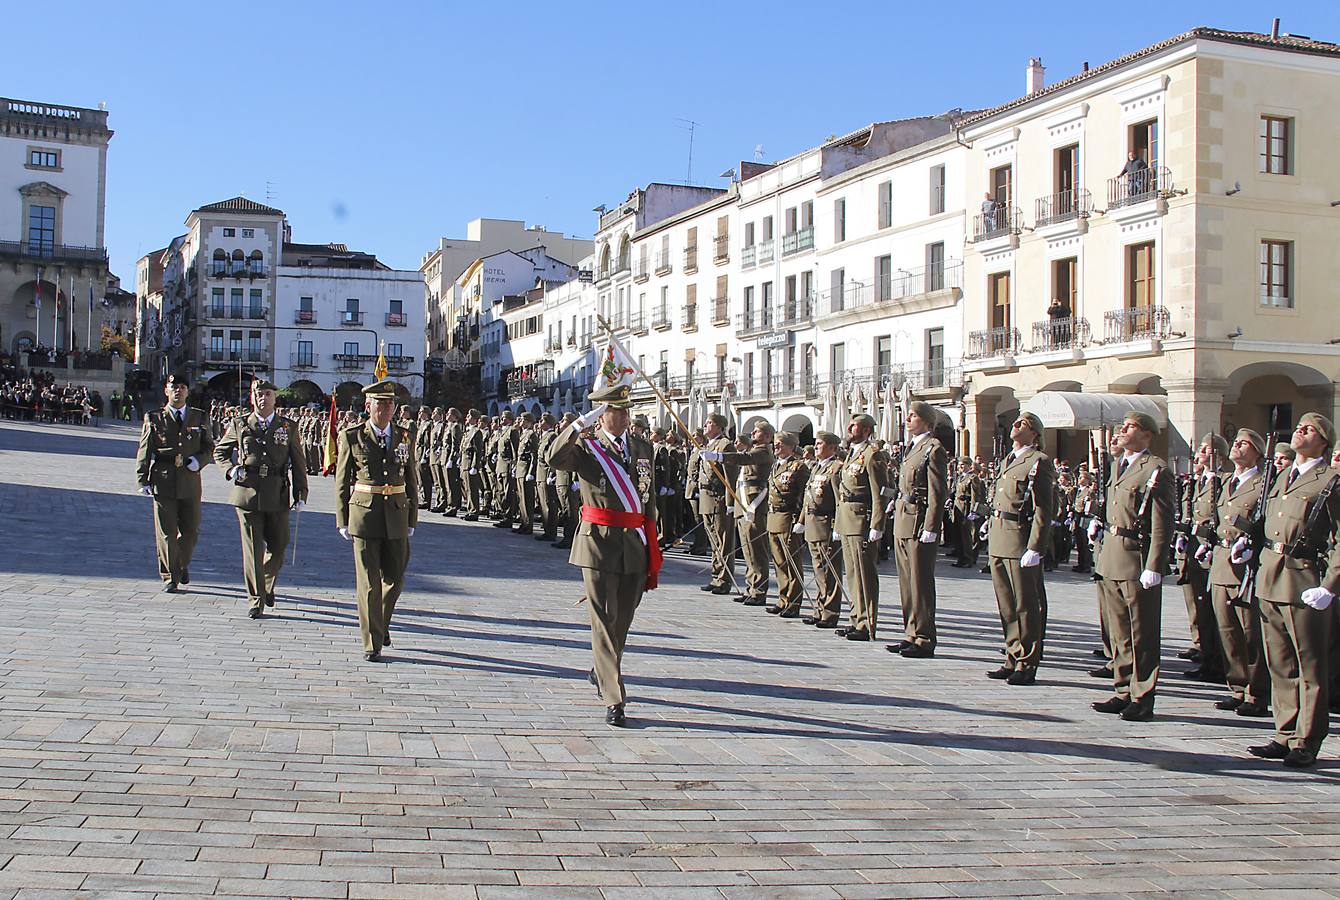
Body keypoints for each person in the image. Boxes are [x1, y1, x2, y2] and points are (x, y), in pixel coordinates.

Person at [547, 383, 661, 727]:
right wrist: (579, 425)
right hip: (597, 543)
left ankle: (602, 670)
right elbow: (553, 457)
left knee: (621, 621)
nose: (624, 416)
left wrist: (653, 536)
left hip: (634, 544)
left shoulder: (642, 446)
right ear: (602, 414)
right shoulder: (586, 446)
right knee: (602, 621)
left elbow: (647, 495)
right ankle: (615, 696)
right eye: (616, 410)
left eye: (627, 410)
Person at [1241, 413, 1340, 768]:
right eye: (1299, 427)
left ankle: (1307, 738)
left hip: (1303, 579)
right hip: (1270, 573)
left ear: (1323, 441)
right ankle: (1284, 732)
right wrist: (1250, 546)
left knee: (1309, 665)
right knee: (1279, 662)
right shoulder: (1283, 475)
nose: (1300, 431)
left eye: (1309, 429)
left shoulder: (1330, 480)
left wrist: (1330, 585)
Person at [1089, 410, 1174, 721]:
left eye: (1131, 426)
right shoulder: (1117, 466)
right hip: (1111, 554)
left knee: (1142, 633)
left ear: (1148, 435)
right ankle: (1122, 688)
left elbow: (1162, 523)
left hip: (1136, 557)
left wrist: (1155, 564)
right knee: (1119, 632)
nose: (1122, 430)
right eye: (1123, 426)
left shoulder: (1156, 469)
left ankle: (1142, 695)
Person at [334, 380, 417, 661]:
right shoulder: (352, 436)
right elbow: (342, 480)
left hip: (396, 512)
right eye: (381, 403)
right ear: (368, 406)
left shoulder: (404, 436)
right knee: (369, 583)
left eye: (390, 403)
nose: (387, 408)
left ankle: (379, 624)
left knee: (395, 579)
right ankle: (372, 642)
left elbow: (411, 478)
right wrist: (342, 518)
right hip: (365, 515)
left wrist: (413, 517)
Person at [1202, 428, 1270, 718]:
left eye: (1244, 444)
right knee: (1227, 630)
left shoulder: (1262, 483)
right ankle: (1238, 687)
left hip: (1246, 565)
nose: (1237, 447)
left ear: (1256, 451)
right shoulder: (1227, 481)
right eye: (1237, 442)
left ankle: (1257, 693)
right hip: (1221, 560)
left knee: (1250, 631)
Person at [985, 412, 1055, 685]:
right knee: (1007, 605)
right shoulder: (1009, 460)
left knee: (1026, 604)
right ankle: (1012, 654)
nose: (1014, 426)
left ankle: (1027, 661)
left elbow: (1043, 508)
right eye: (1015, 422)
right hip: (999, 537)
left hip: (1019, 539)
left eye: (1022, 424)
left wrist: (1035, 546)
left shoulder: (1038, 462)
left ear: (1035, 433)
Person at [134, 371, 214, 593]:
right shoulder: (154, 417)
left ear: (188, 391)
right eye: (173, 386)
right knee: (167, 531)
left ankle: (180, 562)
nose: (178, 390)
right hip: (164, 478)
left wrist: (199, 461)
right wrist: (143, 478)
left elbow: (209, 446)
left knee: (191, 530)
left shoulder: (199, 417)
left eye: (182, 387)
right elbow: (145, 449)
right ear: (166, 391)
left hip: (190, 478)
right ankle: (170, 575)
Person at [889, 401, 947, 657]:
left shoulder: (933, 449)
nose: (908, 419)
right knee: (906, 582)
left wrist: (932, 526)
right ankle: (910, 632)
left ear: (925, 420)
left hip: (918, 521)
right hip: (903, 519)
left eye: (912, 416)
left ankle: (924, 637)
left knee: (920, 582)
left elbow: (937, 491)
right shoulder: (912, 448)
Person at [703, 422, 775, 607]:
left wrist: (718, 456)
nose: (753, 433)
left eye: (757, 431)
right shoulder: (754, 449)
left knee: (757, 550)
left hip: (754, 506)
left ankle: (759, 591)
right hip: (744, 504)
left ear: (767, 436)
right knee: (747, 549)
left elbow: (743, 459)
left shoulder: (763, 452)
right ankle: (751, 588)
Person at [836, 413, 890, 642]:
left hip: (861, 519)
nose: (849, 428)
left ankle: (867, 623)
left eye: (854, 425)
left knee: (864, 574)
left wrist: (877, 524)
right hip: (847, 519)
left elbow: (880, 492)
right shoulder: (852, 454)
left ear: (867, 430)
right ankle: (856, 618)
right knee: (852, 574)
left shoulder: (872, 455)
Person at [1180, 433, 1230, 684]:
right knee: (1199, 605)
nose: (1199, 453)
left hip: (1210, 551)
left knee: (1213, 609)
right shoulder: (1199, 481)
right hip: (1194, 548)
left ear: (1218, 456)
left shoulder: (1222, 482)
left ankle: (1216, 660)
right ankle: (1207, 652)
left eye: (1205, 449)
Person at [798, 431, 844, 628]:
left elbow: (840, 502)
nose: (815, 447)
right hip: (812, 523)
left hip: (826, 524)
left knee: (829, 571)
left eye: (820, 444)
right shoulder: (817, 468)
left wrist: (837, 526)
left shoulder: (835, 469)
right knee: (818, 570)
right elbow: (808, 497)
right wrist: (801, 521)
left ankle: (830, 612)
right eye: (815, 444)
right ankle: (819, 609)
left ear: (832, 448)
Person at [691, 413, 739, 595]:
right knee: (713, 540)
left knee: (723, 541)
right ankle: (716, 575)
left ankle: (724, 579)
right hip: (705, 496)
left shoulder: (725, 445)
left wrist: (730, 501)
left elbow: (730, 475)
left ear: (719, 427)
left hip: (718, 498)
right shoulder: (708, 445)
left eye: (709, 423)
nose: (705, 425)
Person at [766, 431, 810, 618]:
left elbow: (804, 497)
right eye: (775, 443)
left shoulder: (799, 467)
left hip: (789, 518)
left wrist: (800, 521)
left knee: (792, 563)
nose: (776, 446)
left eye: (780, 444)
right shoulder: (776, 466)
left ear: (791, 446)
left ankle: (793, 602)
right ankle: (782, 598)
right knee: (779, 563)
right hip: (773, 518)